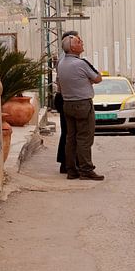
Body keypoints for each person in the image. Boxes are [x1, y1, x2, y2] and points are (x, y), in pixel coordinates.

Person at [56, 34, 104, 180]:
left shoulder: (61, 63)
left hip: (68, 103)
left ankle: (71, 170)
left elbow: (59, 83)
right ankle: (86, 169)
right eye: (78, 42)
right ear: (72, 47)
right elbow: (98, 78)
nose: (82, 43)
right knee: (84, 138)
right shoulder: (81, 63)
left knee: (71, 138)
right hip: (83, 104)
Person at [55, 30, 79, 174]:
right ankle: (67, 162)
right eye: (76, 40)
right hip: (66, 97)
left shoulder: (65, 60)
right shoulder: (67, 61)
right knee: (69, 132)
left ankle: (66, 162)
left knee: (68, 132)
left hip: (64, 97)